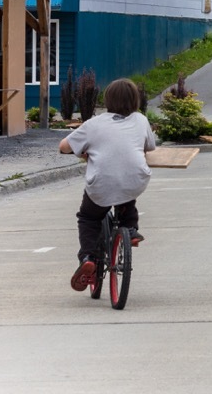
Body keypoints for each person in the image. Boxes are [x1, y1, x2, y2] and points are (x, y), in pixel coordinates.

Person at [59, 78, 156, 292]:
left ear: (107, 100)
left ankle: (88, 256)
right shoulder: (141, 120)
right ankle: (130, 229)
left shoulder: (94, 124)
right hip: (135, 179)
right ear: (135, 101)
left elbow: (64, 146)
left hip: (102, 184)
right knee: (126, 188)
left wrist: (81, 150)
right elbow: (150, 146)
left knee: (88, 217)